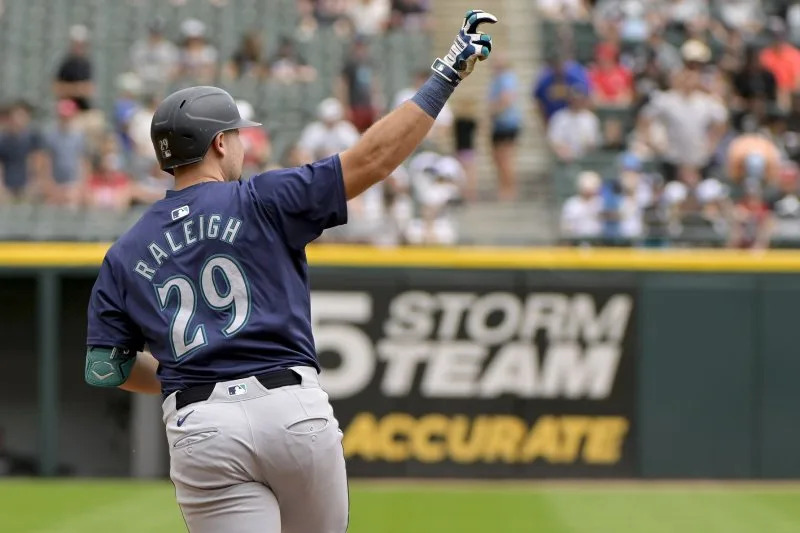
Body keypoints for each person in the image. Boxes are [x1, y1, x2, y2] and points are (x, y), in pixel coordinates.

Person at [83, 10, 495, 533]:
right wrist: (444, 77)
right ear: (219, 144)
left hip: (201, 424)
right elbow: (373, 158)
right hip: (290, 408)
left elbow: (105, 368)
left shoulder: (124, 251)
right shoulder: (260, 198)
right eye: (237, 134)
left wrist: (181, 375)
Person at [41, 99, 88, 206]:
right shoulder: (51, 136)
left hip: (73, 184)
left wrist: (80, 186)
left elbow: (83, 162)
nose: (65, 119)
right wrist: (50, 186)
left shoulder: (79, 137)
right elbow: (46, 162)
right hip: (56, 184)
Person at [488, 54, 522, 201]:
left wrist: (494, 110)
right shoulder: (496, 80)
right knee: (498, 158)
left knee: (505, 157)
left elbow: (507, 99)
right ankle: (503, 186)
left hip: (507, 122)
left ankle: (509, 189)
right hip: (498, 124)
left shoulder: (507, 78)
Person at [0, 101, 46, 202]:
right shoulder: (3, 140)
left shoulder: (32, 138)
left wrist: (35, 182)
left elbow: (37, 160)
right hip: (8, 185)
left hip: (27, 185)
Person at [295, 98, 360, 163]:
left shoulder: (347, 130)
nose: (330, 122)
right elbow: (303, 152)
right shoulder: (313, 131)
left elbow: (356, 151)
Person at [338, 36, 381, 133]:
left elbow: (374, 85)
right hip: (355, 105)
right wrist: (345, 106)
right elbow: (343, 86)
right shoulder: (350, 64)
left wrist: (377, 102)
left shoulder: (369, 63)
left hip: (368, 105)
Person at [533, 51, 590, 123]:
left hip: (571, 119)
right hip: (551, 118)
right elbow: (538, 100)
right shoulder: (545, 82)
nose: (558, 67)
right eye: (556, 64)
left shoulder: (573, 79)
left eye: (560, 64)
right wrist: (544, 121)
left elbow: (585, 96)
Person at [547, 88, 602, 162]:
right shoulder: (559, 117)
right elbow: (554, 140)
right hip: (563, 160)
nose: (577, 102)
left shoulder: (590, 118)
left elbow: (595, 140)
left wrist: (589, 146)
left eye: (579, 99)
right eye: (574, 99)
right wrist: (562, 150)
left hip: (586, 160)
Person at [130, 17, 179, 96]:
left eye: (157, 32)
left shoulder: (169, 49)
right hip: (142, 85)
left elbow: (174, 70)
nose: (155, 35)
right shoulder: (139, 47)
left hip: (162, 85)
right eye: (153, 32)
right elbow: (133, 68)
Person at [53, 25, 94, 111]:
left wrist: (72, 89)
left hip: (83, 107)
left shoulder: (86, 64)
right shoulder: (66, 63)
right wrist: (77, 89)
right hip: (67, 106)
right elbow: (57, 87)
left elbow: (89, 89)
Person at [561, 170, 604, 241]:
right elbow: (566, 226)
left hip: (599, 242)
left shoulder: (601, 203)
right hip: (576, 241)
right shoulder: (572, 203)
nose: (588, 190)